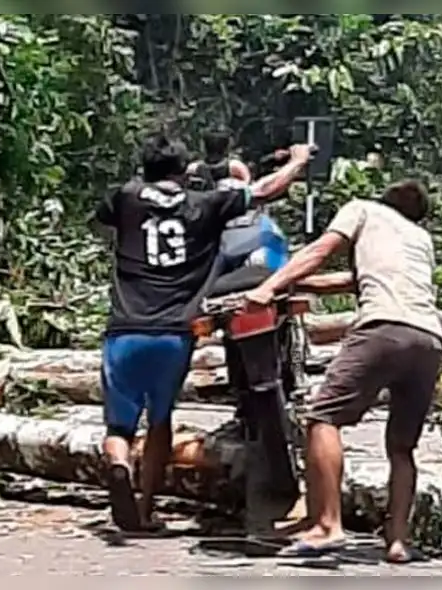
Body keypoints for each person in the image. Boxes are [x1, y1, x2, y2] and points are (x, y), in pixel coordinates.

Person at [91, 132, 315, 533]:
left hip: (124, 328)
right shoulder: (206, 204)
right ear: (183, 171)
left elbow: (105, 218)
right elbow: (264, 191)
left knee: (118, 427)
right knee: (160, 422)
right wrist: (298, 162)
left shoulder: (124, 197)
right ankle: (144, 512)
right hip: (175, 332)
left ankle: (119, 464)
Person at [244, 179, 442, 563]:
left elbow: (321, 250)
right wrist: (298, 284)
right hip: (430, 338)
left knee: (323, 418)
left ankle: (327, 526)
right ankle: (398, 540)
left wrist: (269, 286)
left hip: (383, 328)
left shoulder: (363, 209)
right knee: (402, 447)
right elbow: (356, 280)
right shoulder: (419, 239)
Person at [185, 127, 252, 190]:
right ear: (227, 146)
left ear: (204, 147)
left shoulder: (193, 168)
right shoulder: (236, 167)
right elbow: (247, 188)